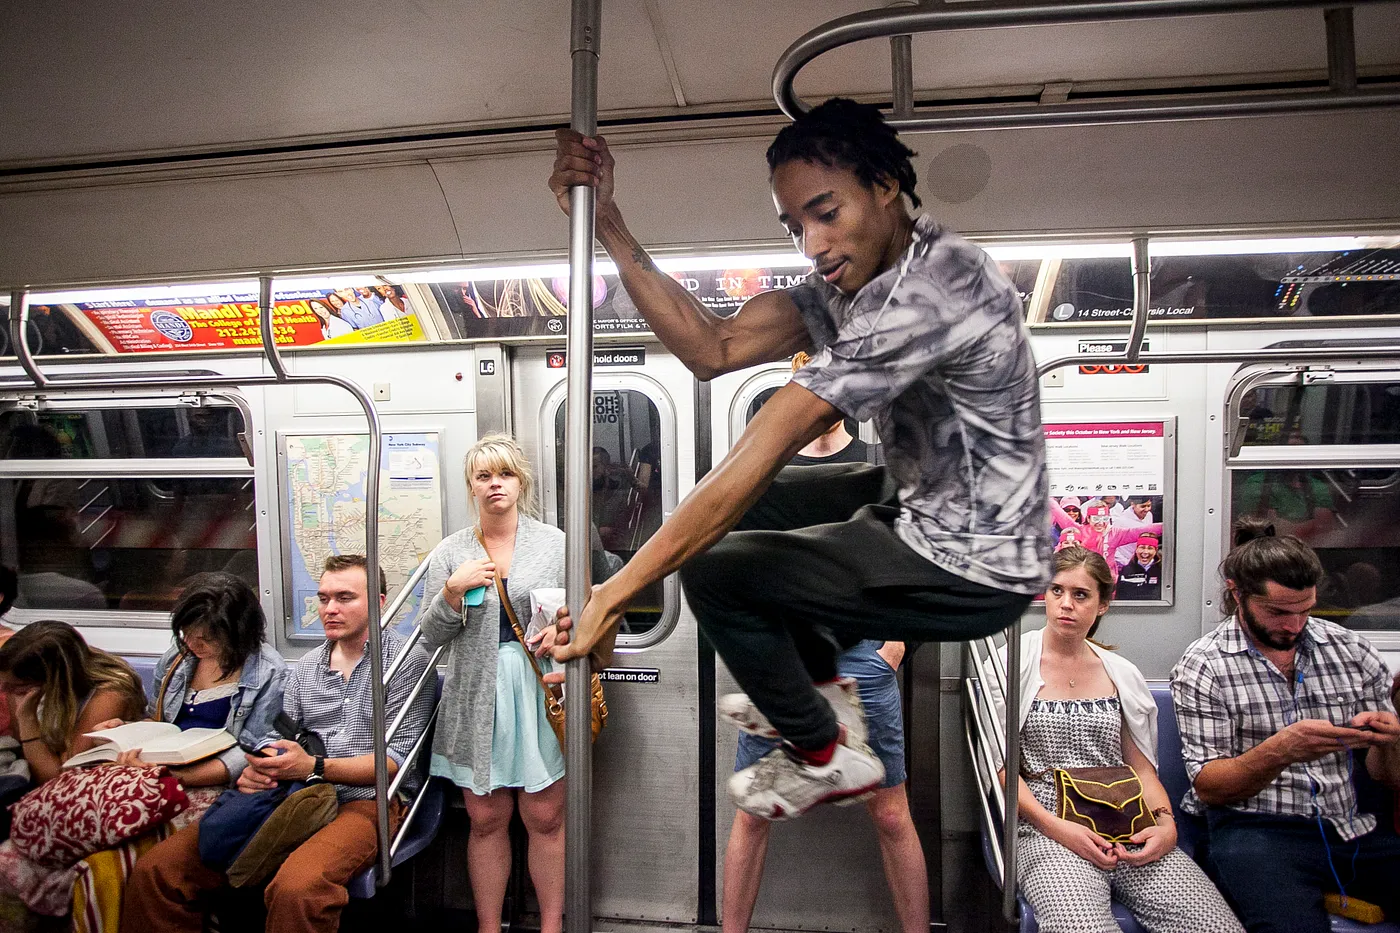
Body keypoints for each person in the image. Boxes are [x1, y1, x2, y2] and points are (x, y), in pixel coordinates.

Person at [549, 97, 1047, 819]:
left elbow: (766, 438)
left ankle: (825, 751)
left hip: (978, 557)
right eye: (795, 226)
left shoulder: (929, 290)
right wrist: (607, 224)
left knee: (714, 566)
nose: (812, 244)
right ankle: (820, 690)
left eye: (826, 212)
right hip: (924, 493)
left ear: (885, 186)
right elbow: (711, 348)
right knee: (760, 502)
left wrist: (615, 593)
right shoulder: (851, 283)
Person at [123, 555, 434, 933]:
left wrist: (314, 767)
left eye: (345, 598)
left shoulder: (408, 663)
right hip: (292, 793)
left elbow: (394, 764)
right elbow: (277, 737)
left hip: (366, 801)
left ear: (380, 602)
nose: (330, 609)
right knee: (160, 870)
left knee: (297, 888)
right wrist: (260, 768)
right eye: (323, 599)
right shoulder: (305, 668)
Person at [1170, 519, 1400, 933]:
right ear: (1237, 594)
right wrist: (1281, 750)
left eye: (1305, 611)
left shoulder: (1351, 650)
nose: (1293, 626)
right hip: (1255, 830)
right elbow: (1209, 786)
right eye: (1277, 612)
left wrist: (1390, 742)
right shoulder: (1204, 665)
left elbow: (1388, 778)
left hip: (1349, 827)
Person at [998, 546, 1242, 933]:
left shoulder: (1121, 674)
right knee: (1083, 928)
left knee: (1212, 924)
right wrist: (1059, 829)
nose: (1066, 604)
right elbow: (1002, 770)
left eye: (1081, 595)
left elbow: (1141, 768)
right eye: (1056, 591)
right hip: (1046, 828)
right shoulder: (1012, 665)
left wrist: (1165, 827)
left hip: (1125, 818)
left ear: (1102, 606)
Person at [419, 435, 567, 933]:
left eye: (503, 474)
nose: (494, 484)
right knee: (485, 821)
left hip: (537, 687)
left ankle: (550, 926)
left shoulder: (554, 544)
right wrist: (452, 591)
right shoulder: (451, 552)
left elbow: (586, 613)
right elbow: (430, 636)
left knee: (545, 818)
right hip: (475, 693)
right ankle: (488, 927)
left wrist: (563, 629)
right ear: (472, 487)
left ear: (520, 481)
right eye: (484, 477)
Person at [97, 573, 287, 788]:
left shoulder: (268, 672)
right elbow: (159, 720)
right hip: (159, 768)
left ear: (239, 633)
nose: (192, 645)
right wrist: (125, 731)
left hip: (211, 779)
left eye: (206, 639)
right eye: (185, 634)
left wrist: (178, 778)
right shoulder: (176, 659)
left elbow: (254, 749)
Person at [0, 621, 146, 784]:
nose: (3, 691)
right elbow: (21, 746)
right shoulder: (16, 683)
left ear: (53, 682)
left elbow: (58, 777)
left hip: (87, 783)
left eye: (17, 687)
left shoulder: (110, 694)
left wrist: (26, 717)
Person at [1048, 498, 1162, 582]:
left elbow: (1141, 530)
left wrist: (1168, 525)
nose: (1100, 522)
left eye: (1104, 518)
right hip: (1083, 579)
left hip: (1107, 581)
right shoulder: (1080, 530)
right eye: (1096, 518)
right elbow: (1058, 512)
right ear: (1088, 518)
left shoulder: (1115, 533)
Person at [1114, 533, 1163, 601]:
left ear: (1155, 551)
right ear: (1136, 549)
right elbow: (1119, 596)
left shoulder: (1162, 570)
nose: (1145, 552)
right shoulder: (1126, 570)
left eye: (1150, 548)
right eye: (1142, 547)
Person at [1111, 496, 1155, 568]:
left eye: (1149, 506)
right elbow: (1111, 545)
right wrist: (1126, 562)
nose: (1146, 509)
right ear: (1133, 504)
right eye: (1143, 506)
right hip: (1127, 564)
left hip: (1145, 561)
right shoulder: (1120, 521)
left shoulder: (1149, 515)